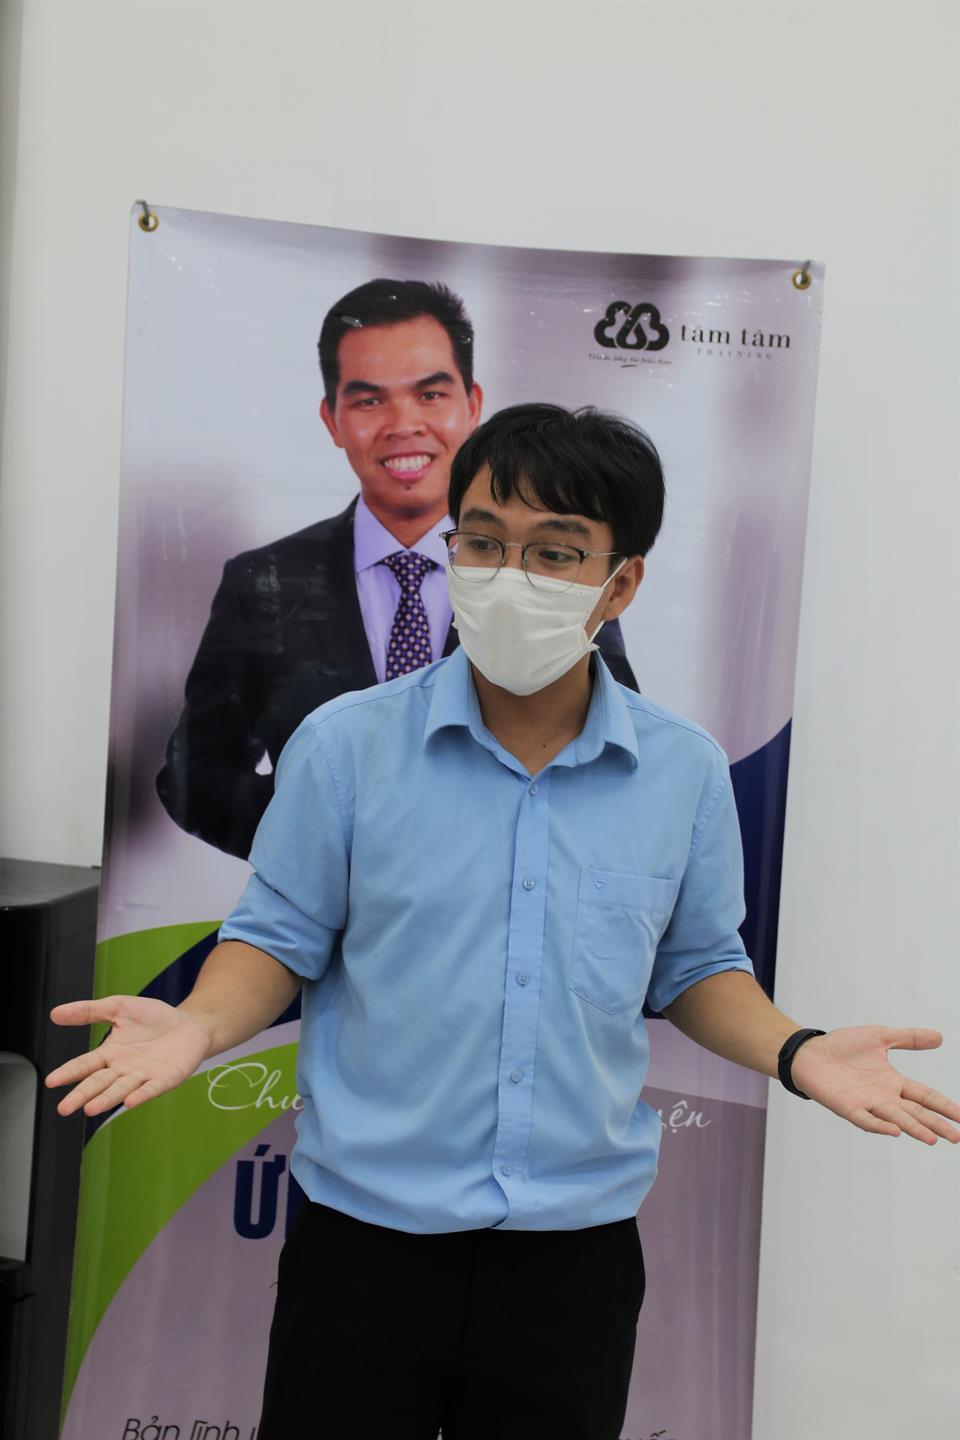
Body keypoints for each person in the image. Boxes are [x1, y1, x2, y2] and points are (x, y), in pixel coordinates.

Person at [49, 405, 959, 1440]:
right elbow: (278, 938)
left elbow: (697, 966)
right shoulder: (345, 746)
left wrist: (796, 1050)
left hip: (572, 1260)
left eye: (554, 552)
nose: (507, 576)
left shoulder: (682, 770)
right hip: (366, 1246)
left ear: (621, 584)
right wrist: (199, 1023)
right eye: (482, 542)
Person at [155, 280, 637, 858]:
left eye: (430, 394)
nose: (403, 424)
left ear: (472, 405)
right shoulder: (263, 583)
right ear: (332, 418)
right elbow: (193, 777)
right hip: (323, 912)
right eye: (368, 400)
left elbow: (612, 755)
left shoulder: (552, 573)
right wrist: (319, 840)